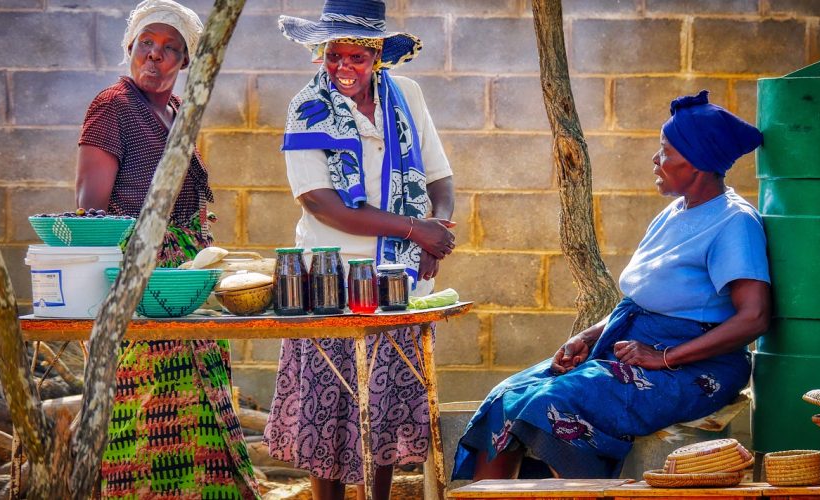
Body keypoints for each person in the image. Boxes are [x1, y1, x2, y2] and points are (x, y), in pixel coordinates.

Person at [453, 90, 771, 480]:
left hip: (694, 368)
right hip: (634, 350)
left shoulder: (734, 222)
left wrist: (666, 357)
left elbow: (754, 317)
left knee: (551, 405)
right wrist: (588, 337)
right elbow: (639, 300)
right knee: (506, 398)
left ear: (698, 163)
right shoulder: (676, 211)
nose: (656, 159)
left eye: (666, 150)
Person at [263, 1, 456, 498]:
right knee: (325, 407)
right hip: (328, 278)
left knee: (383, 403)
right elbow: (322, 203)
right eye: (333, 57)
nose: (343, 69)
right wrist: (418, 230)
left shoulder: (406, 95)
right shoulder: (307, 106)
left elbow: (438, 175)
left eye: (355, 57)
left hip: (398, 278)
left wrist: (437, 229)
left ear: (377, 56)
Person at [74, 1, 259, 497]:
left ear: (184, 60)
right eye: (146, 46)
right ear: (130, 48)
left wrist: (194, 229)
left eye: (169, 49)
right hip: (141, 284)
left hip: (182, 284)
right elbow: (91, 207)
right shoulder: (114, 106)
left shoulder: (177, 111)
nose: (154, 57)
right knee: (149, 413)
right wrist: (143, 259)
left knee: (199, 406)